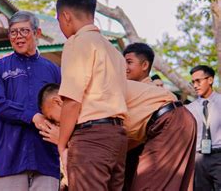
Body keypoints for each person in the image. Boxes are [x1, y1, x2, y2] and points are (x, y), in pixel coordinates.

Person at [39, 80, 196, 190]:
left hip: (169, 121)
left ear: (58, 101)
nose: (57, 124)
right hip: (170, 123)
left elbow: (95, 143)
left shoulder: (88, 99)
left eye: (53, 119)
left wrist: (63, 140)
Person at [56, 0, 128, 190]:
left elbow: (72, 100)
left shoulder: (77, 42)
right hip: (118, 136)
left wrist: (61, 144)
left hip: (91, 137)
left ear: (66, 16)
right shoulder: (113, 51)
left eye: (59, 20)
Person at [0, 11, 61, 190]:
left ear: (37, 33)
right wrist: (33, 116)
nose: (18, 37)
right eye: (13, 32)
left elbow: (62, 108)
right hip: (9, 159)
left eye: (24, 31)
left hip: (46, 157)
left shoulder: (54, 70)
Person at [122, 42, 155, 189]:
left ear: (144, 65)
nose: (124, 67)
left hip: (142, 156)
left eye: (129, 62)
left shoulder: (154, 93)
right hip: (125, 154)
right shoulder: (126, 89)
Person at [186, 65, 221, 190]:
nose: (195, 85)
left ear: (210, 80)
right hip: (198, 159)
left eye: (198, 81)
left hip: (219, 156)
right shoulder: (189, 108)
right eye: (193, 82)